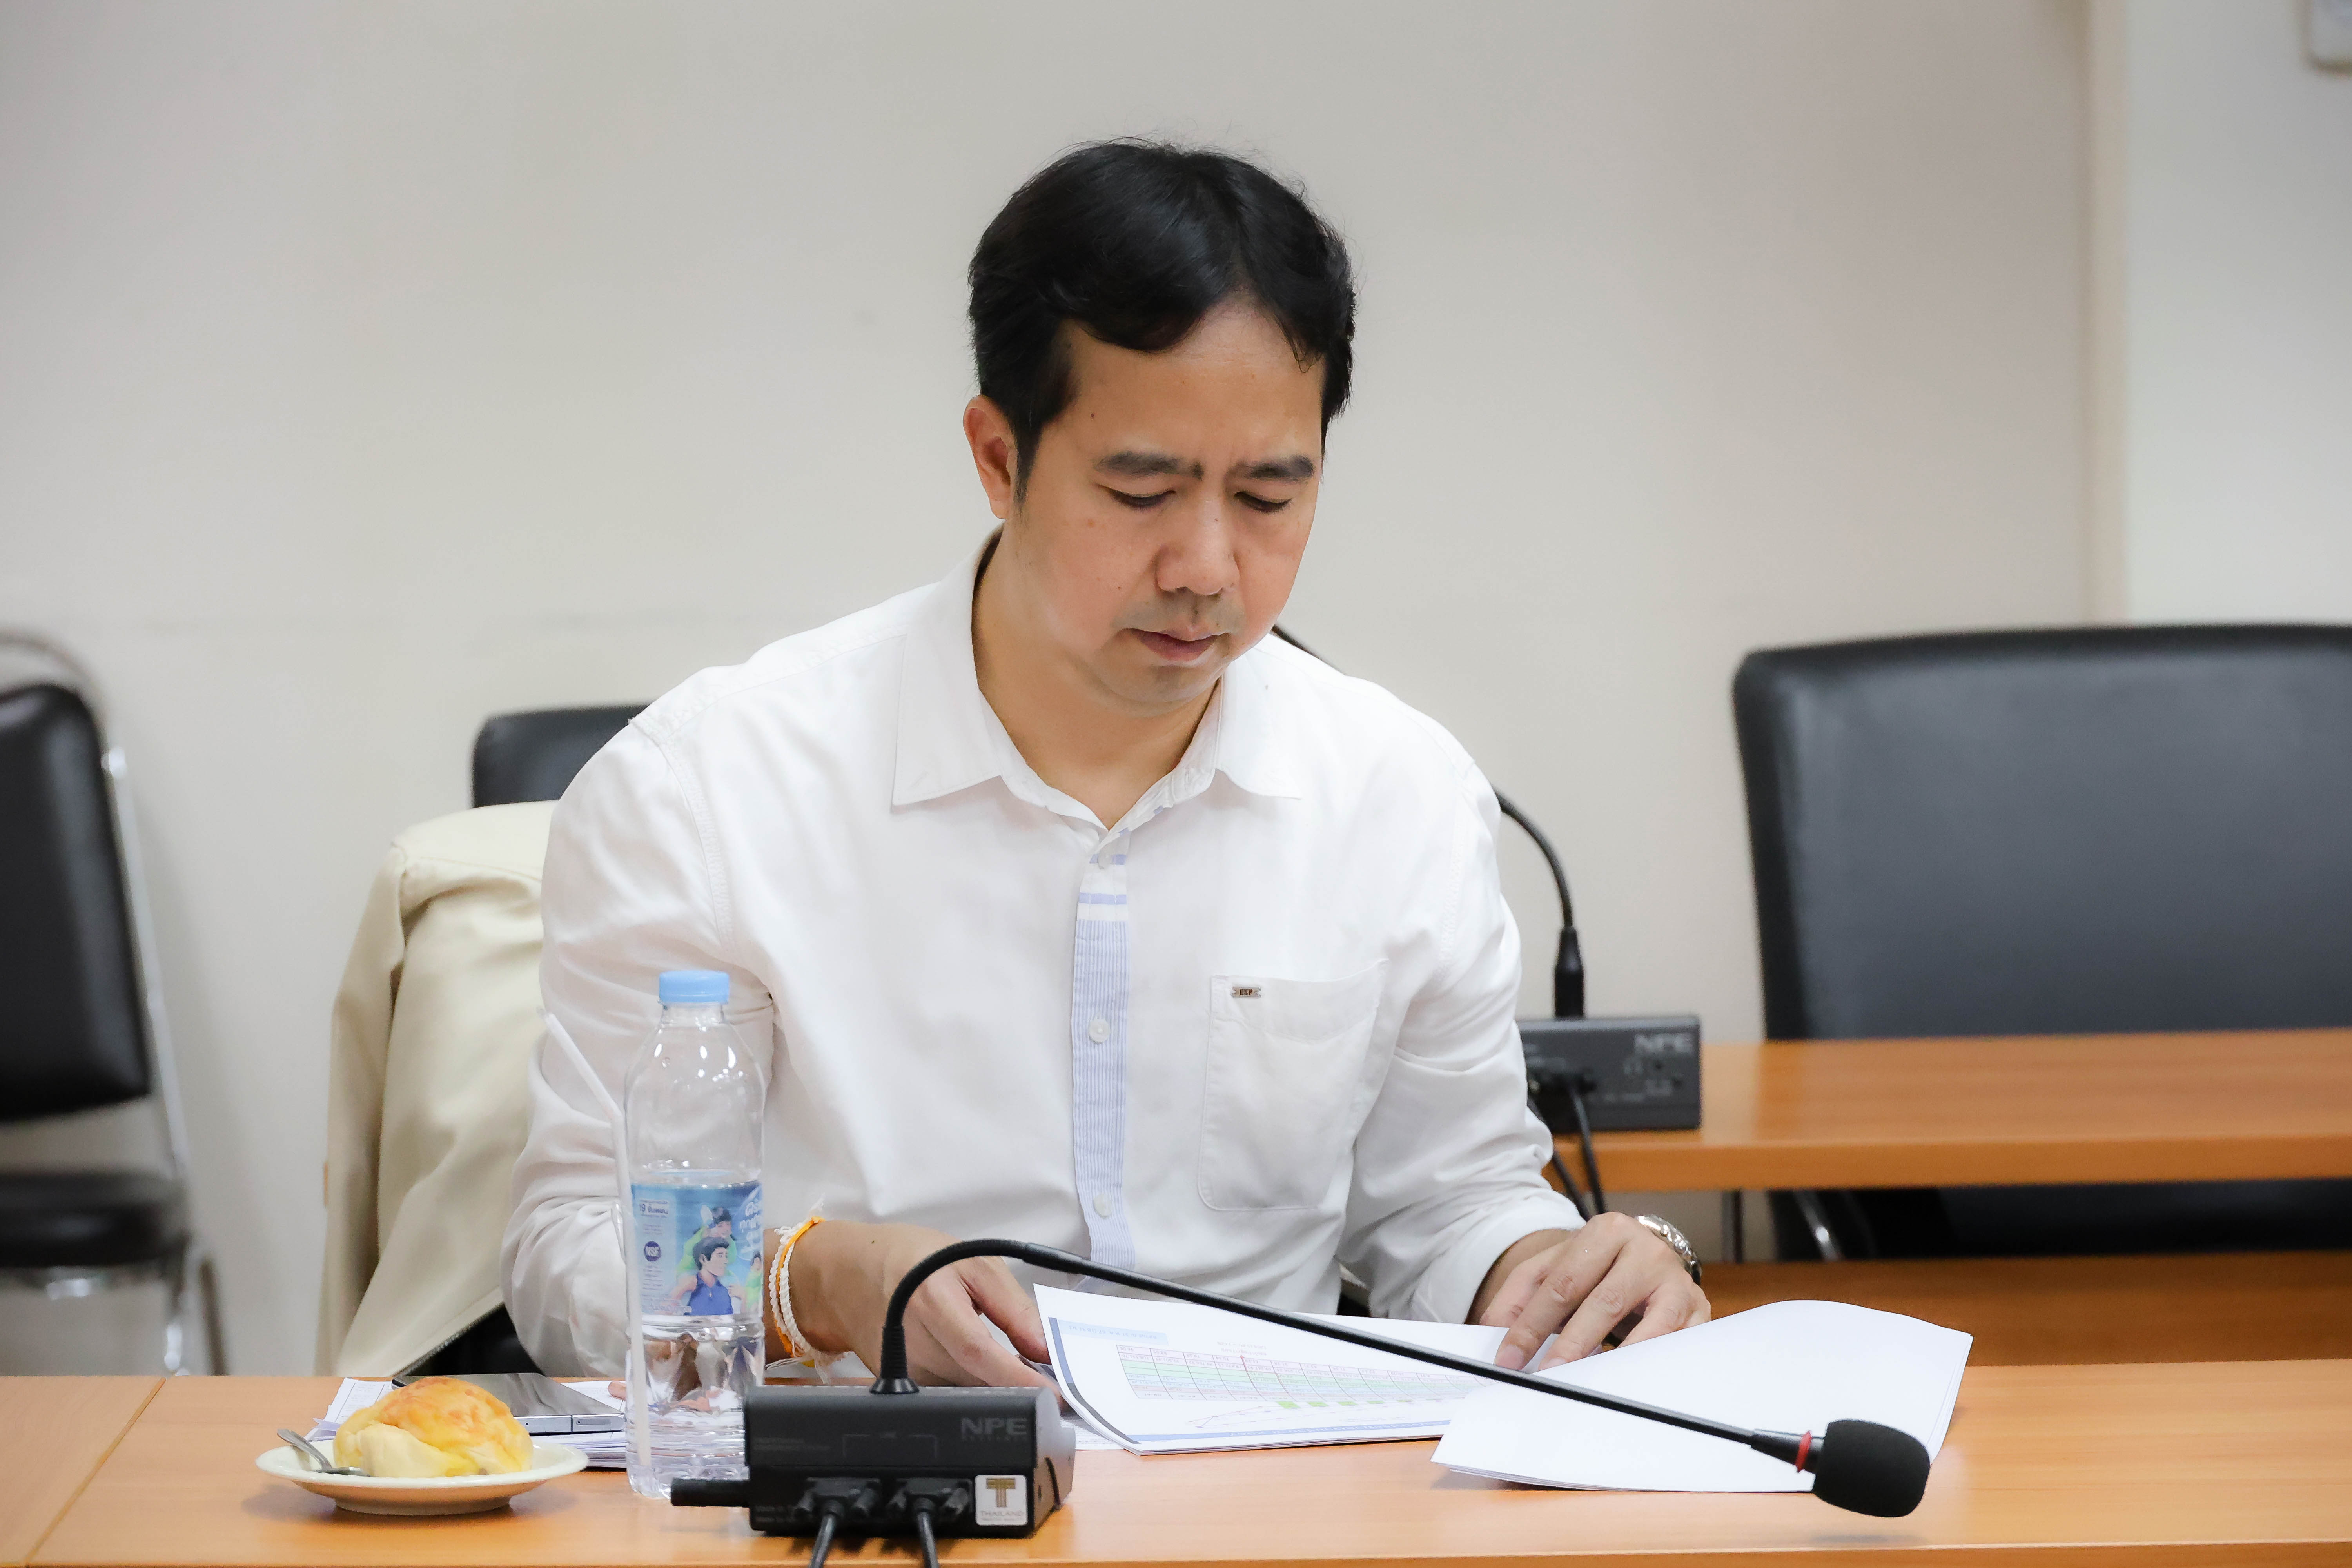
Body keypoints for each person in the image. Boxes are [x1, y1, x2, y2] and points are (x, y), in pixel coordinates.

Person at [501, 139, 1708, 1386]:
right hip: (874, 1467)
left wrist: (1558, 1275)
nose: (1207, 568)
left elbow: (1445, 1205)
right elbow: (566, 1261)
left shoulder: (1398, 795)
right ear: (999, 459)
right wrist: (817, 1285)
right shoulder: (707, 791)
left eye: (1269, 497)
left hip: (1271, 1471)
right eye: (1142, 491)